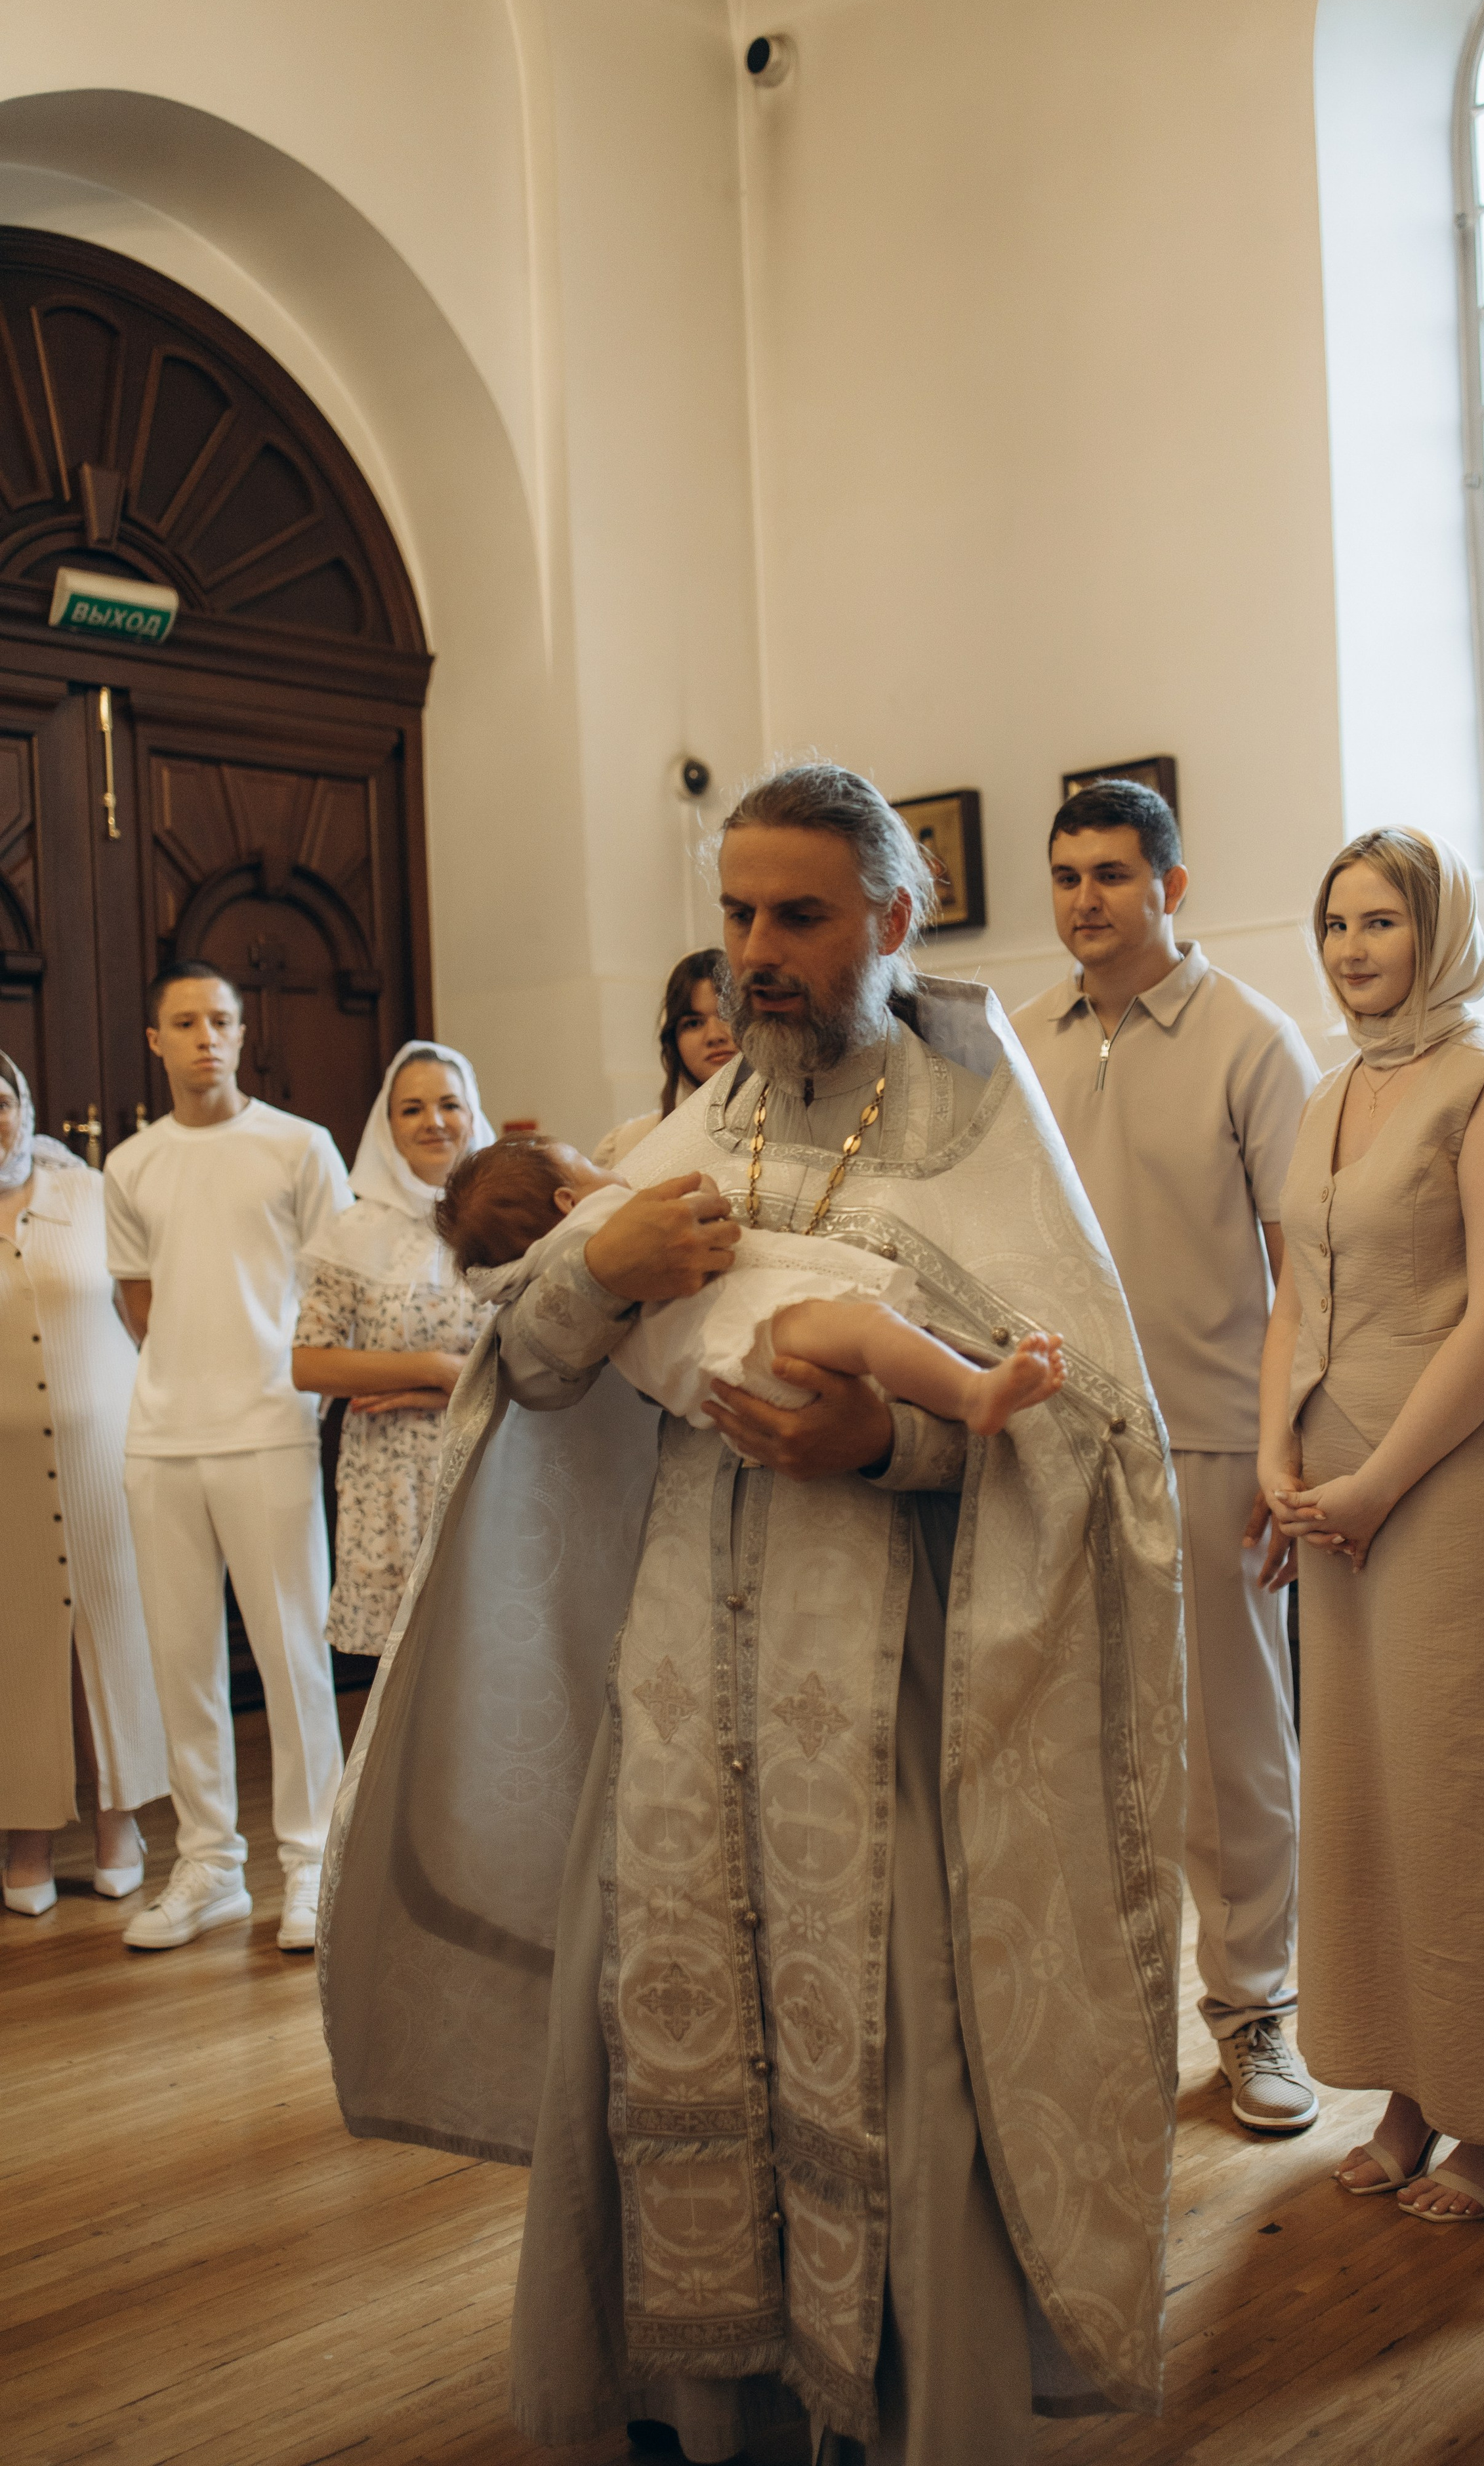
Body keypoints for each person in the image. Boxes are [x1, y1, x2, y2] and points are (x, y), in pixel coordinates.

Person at [323, 763, 1185, 2463]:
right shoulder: (691, 1129)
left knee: (895, 2048)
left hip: (886, 1701)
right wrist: (599, 1270)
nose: (757, 953)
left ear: (893, 916)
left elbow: (1094, 1443)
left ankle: (889, 2406)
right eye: (735, 916)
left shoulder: (979, 1130)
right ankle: (697, 2404)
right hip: (675, 1685)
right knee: (664, 2033)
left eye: (798, 916)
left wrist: (888, 1443)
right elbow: (528, 1372)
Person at [1258, 827, 1484, 2222]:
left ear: (1439, 929)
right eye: (1335, 923)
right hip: (1333, 1485)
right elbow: (1292, 1295)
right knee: (1369, 1796)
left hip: (1453, 1484)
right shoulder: (1330, 1088)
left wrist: (1376, 1482)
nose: (1351, 949)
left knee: (1466, 1793)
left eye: (1380, 921)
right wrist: (1277, 1457)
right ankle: (1409, 2084)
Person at [1013, 781, 1320, 2135]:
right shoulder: (1020, 1038)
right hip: (1051, 1440)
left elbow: (1306, 1272)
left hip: (1211, 1438)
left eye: (1111, 875)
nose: (1085, 899)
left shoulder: (1253, 1039)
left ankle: (1253, 2011)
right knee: (1065, 1743)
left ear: (1170, 887)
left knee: (1229, 1750)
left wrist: (1284, 1449)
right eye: (1067, 875)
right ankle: (1102, 2012)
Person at [104, 960, 353, 1954]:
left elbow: (335, 1285)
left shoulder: (299, 1146)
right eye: (185, 1022)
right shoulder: (131, 1164)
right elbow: (138, 1301)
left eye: (221, 1020)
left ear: (244, 1034)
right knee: (181, 1662)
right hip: (162, 1437)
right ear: (155, 1041)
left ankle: (312, 1861)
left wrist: (288, 1391)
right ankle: (208, 1867)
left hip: (269, 1428)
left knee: (293, 1657)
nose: (205, 1037)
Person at [440, 1134, 1066, 1435]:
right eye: (591, 1166)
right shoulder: (599, 1221)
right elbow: (701, 1195)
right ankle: (972, 1391)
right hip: (740, 1329)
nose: (616, 1173)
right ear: (567, 1200)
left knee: (880, 1337)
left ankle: (970, 1386)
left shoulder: (526, 1273)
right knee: (877, 1329)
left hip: (713, 1375)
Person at [1, 1051, 167, 1914]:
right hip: (5, 1476)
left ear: (22, 1109)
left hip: (106, 1452)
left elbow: (145, 1314)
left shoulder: (90, 1194)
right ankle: (23, 1834)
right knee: (16, 1644)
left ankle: (120, 1820)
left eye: (0, 1101)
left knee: (116, 1628)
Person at [291, 1042, 495, 1656]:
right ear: (387, 1128)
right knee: (406, 1666)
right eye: (412, 1109)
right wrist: (436, 1368)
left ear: (473, 1114)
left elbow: (543, 1351)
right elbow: (309, 1364)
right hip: (391, 1479)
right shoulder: (352, 1232)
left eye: (449, 1104)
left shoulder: (513, 1224)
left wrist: (441, 1387)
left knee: (495, 1651)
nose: (434, 1122)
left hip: (494, 1455)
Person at [595, 946, 739, 1168]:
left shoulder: (789, 1128)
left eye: (727, 1015)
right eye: (694, 1023)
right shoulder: (629, 1145)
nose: (714, 1036)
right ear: (673, 1041)